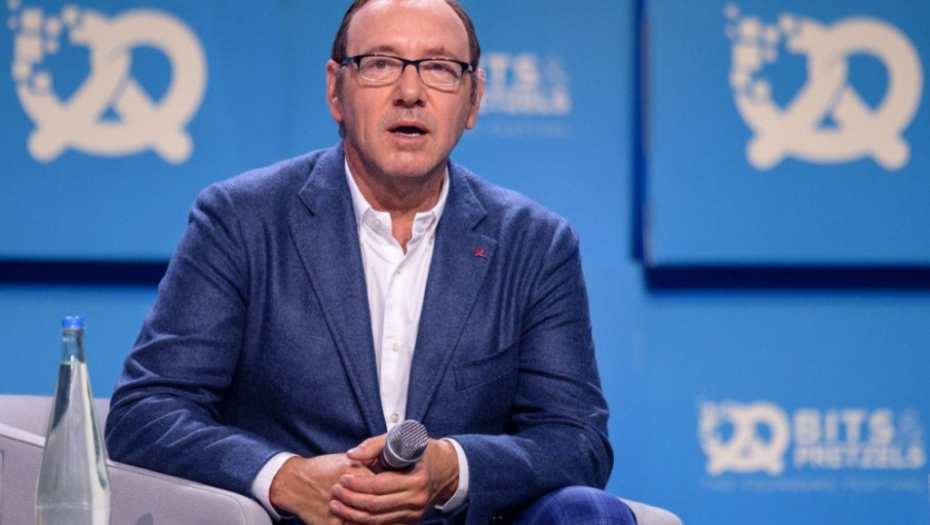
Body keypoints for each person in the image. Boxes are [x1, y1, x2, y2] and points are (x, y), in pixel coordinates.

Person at [105, 1, 636, 524]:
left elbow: (576, 440)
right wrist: (286, 477)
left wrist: (452, 468)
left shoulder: (534, 245)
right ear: (336, 90)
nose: (410, 92)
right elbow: (147, 411)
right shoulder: (242, 220)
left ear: (473, 99)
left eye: (439, 68)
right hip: (300, 522)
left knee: (592, 513)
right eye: (381, 64)